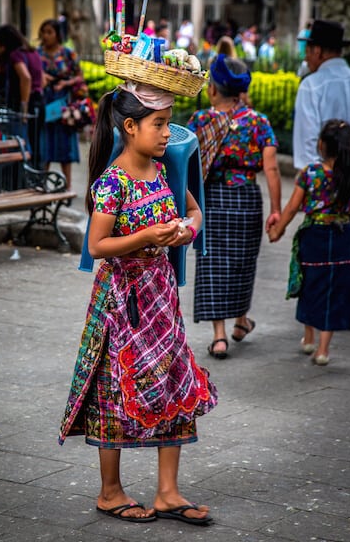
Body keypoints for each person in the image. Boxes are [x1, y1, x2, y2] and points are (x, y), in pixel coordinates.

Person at [58, 81, 218, 525]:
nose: (168, 134)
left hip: (160, 296)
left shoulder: (164, 171)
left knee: (174, 382)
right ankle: (110, 491)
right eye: (160, 124)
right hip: (121, 301)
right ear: (130, 127)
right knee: (114, 388)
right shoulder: (113, 183)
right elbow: (97, 243)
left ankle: (168, 491)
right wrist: (148, 237)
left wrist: (186, 228)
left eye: (167, 124)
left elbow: (194, 211)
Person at [187, 55, 281, 359]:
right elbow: (272, 169)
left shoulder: (201, 121)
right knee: (242, 263)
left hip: (211, 199)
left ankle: (220, 336)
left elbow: (185, 163)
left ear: (212, 89)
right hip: (246, 200)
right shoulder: (258, 122)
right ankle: (241, 321)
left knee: (212, 263)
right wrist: (276, 210)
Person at [268, 119, 350, 365]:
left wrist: (277, 231)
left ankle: (309, 337)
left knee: (311, 283)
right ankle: (323, 349)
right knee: (333, 290)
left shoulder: (311, 173)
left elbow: (292, 208)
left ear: (322, 145)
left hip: (314, 235)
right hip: (343, 236)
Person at [293, 19, 350, 173]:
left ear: (317, 51)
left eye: (307, 51)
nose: (306, 59)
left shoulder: (311, 86)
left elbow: (306, 148)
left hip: (328, 174)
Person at [38, 18, 86, 189]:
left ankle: (68, 187)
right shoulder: (38, 54)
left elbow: (79, 76)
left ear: (58, 34)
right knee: (45, 145)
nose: (46, 36)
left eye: (49, 32)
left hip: (64, 104)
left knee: (65, 146)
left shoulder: (67, 53)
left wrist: (66, 83)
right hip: (45, 103)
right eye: (43, 32)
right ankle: (42, 185)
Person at [0, 24, 44, 166]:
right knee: (35, 143)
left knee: (22, 144)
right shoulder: (33, 53)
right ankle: (35, 177)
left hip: (25, 104)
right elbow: (42, 80)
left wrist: (23, 108)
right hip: (38, 101)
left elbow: (25, 78)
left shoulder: (16, 55)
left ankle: (23, 180)